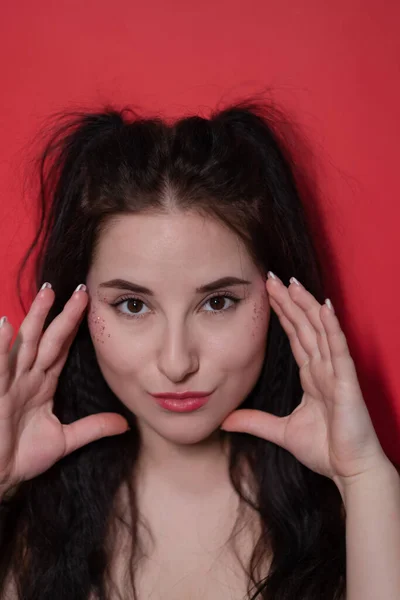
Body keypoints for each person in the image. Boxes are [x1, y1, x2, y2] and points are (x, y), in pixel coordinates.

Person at [0, 97, 398, 600]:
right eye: (131, 305)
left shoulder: (355, 515)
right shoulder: (32, 524)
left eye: (217, 302)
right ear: (79, 310)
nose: (177, 362)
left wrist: (365, 479)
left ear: (279, 297)